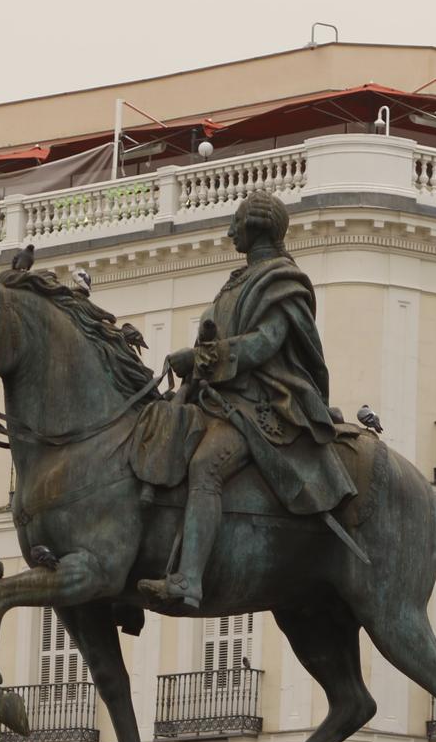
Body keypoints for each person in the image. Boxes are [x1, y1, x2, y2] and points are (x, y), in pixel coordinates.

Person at [138, 190, 358, 607]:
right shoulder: (238, 281)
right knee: (156, 434)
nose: (229, 231)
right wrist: (197, 361)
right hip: (217, 396)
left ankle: (188, 580)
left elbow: (263, 344)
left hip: (262, 401)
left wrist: (201, 358)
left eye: (235, 223)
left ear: (254, 226)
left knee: (206, 467)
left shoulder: (282, 282)